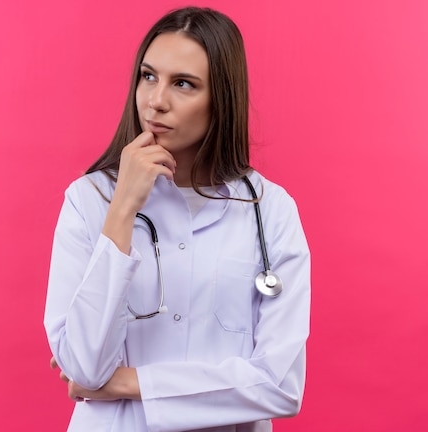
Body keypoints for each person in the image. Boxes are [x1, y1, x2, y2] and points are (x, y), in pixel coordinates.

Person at [44, 6, 310, 431]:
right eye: (148, 76)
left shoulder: (270, 211)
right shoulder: (90, 200)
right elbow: (84, 368)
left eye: (183, 84)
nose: (156, 101)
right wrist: (123, 209)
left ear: (220, 98)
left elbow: (280, 385)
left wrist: (131, 383)